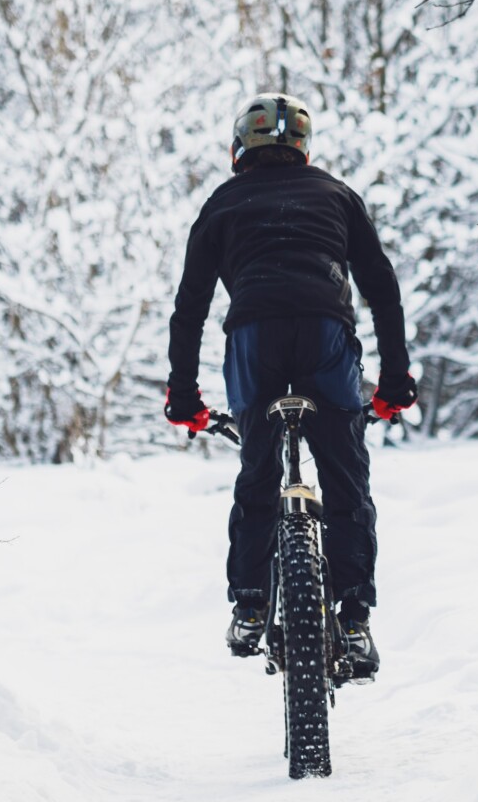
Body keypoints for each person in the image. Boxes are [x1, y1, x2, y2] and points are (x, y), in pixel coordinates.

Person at [164, 91, 417, 676]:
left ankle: (250, 606)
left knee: (257, 475)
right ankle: (353, 620)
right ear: (304, 147)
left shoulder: (221, 204)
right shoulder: (336, 195)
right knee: (347, 478)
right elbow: (383, 290)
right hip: (325, 335)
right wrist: (394, 381)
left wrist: (183, 396)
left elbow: (189, 308)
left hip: (255, 340)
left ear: (239, 147)